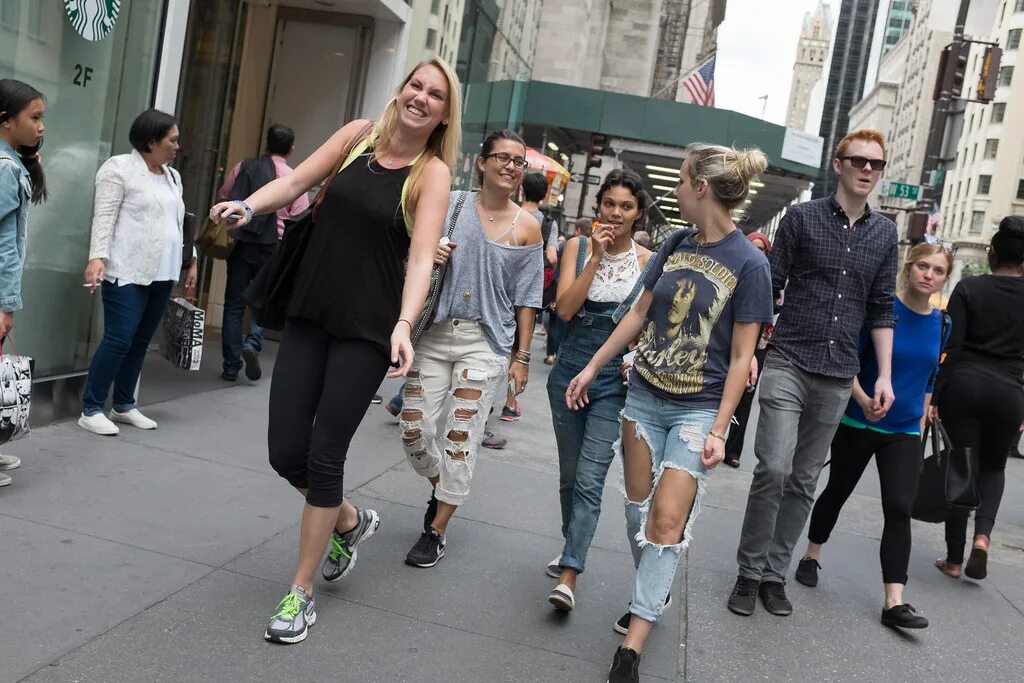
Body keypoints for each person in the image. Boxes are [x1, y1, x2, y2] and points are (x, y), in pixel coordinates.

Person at [208, 58, 459, 644]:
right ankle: (349, 519)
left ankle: (300, 593)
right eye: (415, 86)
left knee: (324, 457)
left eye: (435, 95)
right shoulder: (357, 135)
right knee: (284, 451)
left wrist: (404, 323)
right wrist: (251, 206)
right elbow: (295, 183)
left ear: (445, 113)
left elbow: (422, 256)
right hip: (311, 309)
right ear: (401, 90)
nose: (420, 98)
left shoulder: (432, 173)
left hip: (369, 328)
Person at [566, 144, 772, 683]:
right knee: (638, 512)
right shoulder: (676, 243)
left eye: (680, 181)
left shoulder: (750, 264)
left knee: (664, 520)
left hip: (698, 411)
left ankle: (632, 645)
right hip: (644, 399)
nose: (675, 191)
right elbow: (638, 313)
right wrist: (593, 367)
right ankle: (650, 591)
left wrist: (722, 428)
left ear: (701, 187)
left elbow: (743, 356)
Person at [728, 128, 898, 619]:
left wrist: (882, 376)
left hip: (839, 375)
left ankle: (773, 575)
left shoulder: (885, 234)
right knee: (774, 469)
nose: (868, 170)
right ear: (838, 165)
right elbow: (770, 286)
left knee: (803, 480)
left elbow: (882, 308)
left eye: (876, 164)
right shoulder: (800, 219)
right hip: (788, 361)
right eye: (859, 161)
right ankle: (747, 571)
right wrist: (755, 347)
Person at [399, 128, 543, 568]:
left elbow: (528, 297)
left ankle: (437, 528)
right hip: (437, 332)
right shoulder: (453, 205)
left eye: (519, 161)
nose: (511, 166)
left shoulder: (528, 226)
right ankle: (444, 488)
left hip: (486, 343)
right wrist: (429, 255)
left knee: (460, 437)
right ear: (481, 163)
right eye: (501, 157)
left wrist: (522, 358)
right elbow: (413, 258)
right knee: (413, 429)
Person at [797, 241, 953, 629]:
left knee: (900, 507)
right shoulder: (883, 312)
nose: (928, 274)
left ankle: (894, 601)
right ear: (908, 267)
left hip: (903, 429)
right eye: (922, 266)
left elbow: (931, 376)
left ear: (944, 278)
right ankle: (811, 554)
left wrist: (920, 424)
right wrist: (863, 398)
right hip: (858, 418)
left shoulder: (943, 323)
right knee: (839, 489)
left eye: (937, 270)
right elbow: (849, 358)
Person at [544, 169, 653, 612]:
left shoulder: (648, 261)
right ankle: (573, 543)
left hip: (612, 381)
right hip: (569, 368)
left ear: (638, 213)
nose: (616, 213)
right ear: (599, 206)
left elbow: (648, 321)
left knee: (590, 477)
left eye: (626, 206)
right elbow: (566, 310)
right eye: (610, 203)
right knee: (570, 475)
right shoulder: (578, 246)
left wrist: (632, 361)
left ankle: (570, 572)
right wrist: (596, 258)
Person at [78, 109, 197, 437]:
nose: (177, 146)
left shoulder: (172, 176)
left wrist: (192, 260)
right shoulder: (119, 169)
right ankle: (91, 408)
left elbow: (179, 222)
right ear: (151, 141)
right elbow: (104, 215)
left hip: (163, 272)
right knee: (119, 338)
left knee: (141, 341)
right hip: (127, 269)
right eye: (172, 140)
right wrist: (97, 257)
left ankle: (124, 404)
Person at [933, 216, 1024, 582]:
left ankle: (954, 559)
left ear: (992, 254)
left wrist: (935, 395)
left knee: (963, 465)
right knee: (994, 468)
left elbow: (950, 348)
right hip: (1009, 390)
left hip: (965, 385)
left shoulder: (969, 289)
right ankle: (982, 539)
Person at [217, 123, 309, 382]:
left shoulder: (244, 167)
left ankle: (231, 366)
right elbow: (300, 213)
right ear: (291, 149)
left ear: (266, 144)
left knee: (234, 304)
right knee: (262, 300)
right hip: (273, 248)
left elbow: (225, 194)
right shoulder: (292, 176)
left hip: (243, 242)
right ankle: (253, 343)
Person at [0, 79, 46, 488]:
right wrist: (6, 304)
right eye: (34, 117)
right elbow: (3, 246)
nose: (41, 126)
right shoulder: (5, 168)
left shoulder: (11, 162)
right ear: (5, 120)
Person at [723, 231, 773, 468]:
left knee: (746, 399)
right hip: (732, 343)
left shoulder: (773, 279)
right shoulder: (737, 271)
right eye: (752, 246)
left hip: (760, 348)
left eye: (761, 248)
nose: (756, 251)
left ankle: (732, 450)